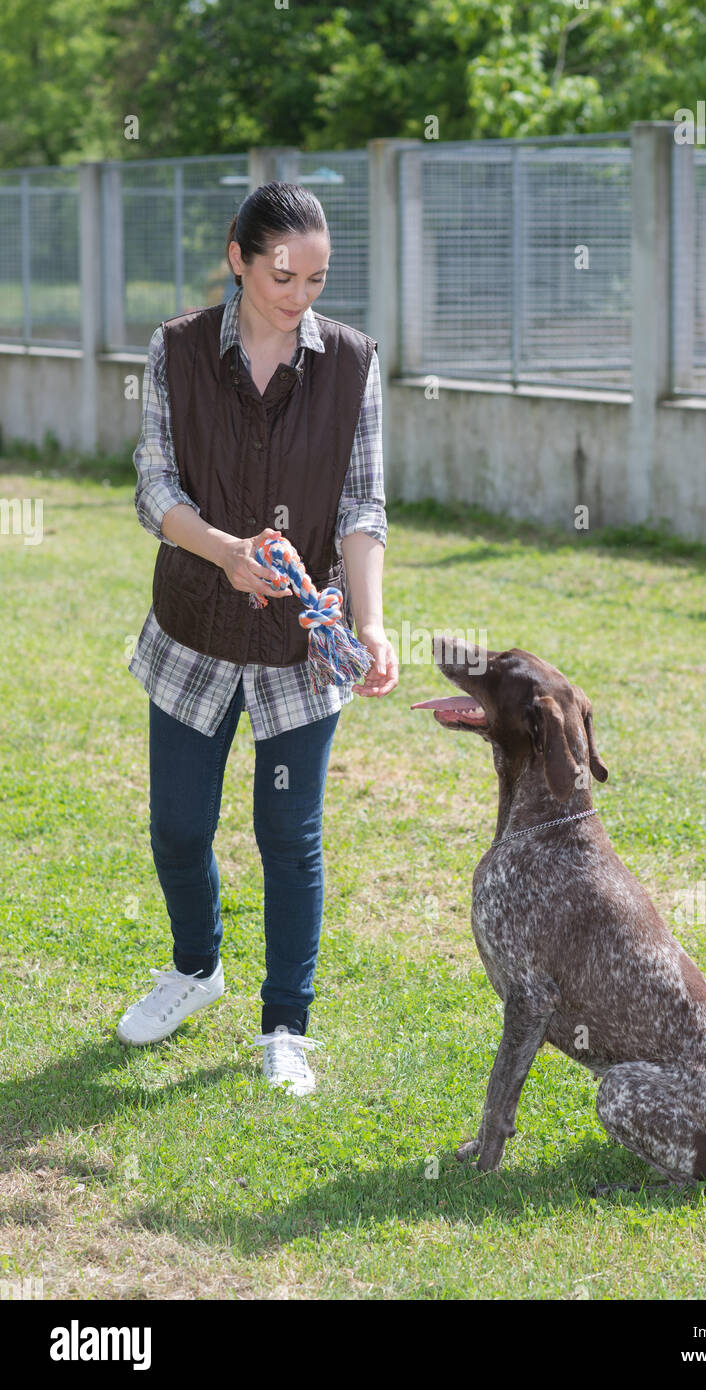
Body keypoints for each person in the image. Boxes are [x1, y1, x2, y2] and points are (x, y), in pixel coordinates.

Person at [119, 181, 398, 1095]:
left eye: (317, 278)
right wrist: (225, 552)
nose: (301, 294)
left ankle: (286, 1025)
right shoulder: (178, 349)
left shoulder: (353, 363)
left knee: (289, 831)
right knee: (178, 827)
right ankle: (196, 970)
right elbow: (155, 486)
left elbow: (363, 503)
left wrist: (369, 619)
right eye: (285, 274)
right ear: (238, 258)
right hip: (195, 628)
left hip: (297, 650)